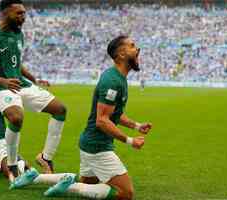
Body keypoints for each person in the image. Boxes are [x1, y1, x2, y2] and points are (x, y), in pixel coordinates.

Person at [44, 36, 152, 200]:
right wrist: (130, 141)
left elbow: (114, 114)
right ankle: (68, 186)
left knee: (89, 187)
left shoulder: (117, 78)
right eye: (132, 46)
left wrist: (136, 126)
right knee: (125, 193)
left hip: (90, 143)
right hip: (98, 147)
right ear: (121, 54)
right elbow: (102, 120)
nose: (138, 49)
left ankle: (47, 180)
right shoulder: (112, 81)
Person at [0, 0, 67, 180]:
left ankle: (46, 158)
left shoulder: (19, 34)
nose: (23, 17)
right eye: (18, 13)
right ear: (4, 13)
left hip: (21, 84)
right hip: (1, 88)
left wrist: (34, 79)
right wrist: (3, 81)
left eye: (24, 13)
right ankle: (11, 165)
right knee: (17, 118)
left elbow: (16, 63)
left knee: (60, 109)